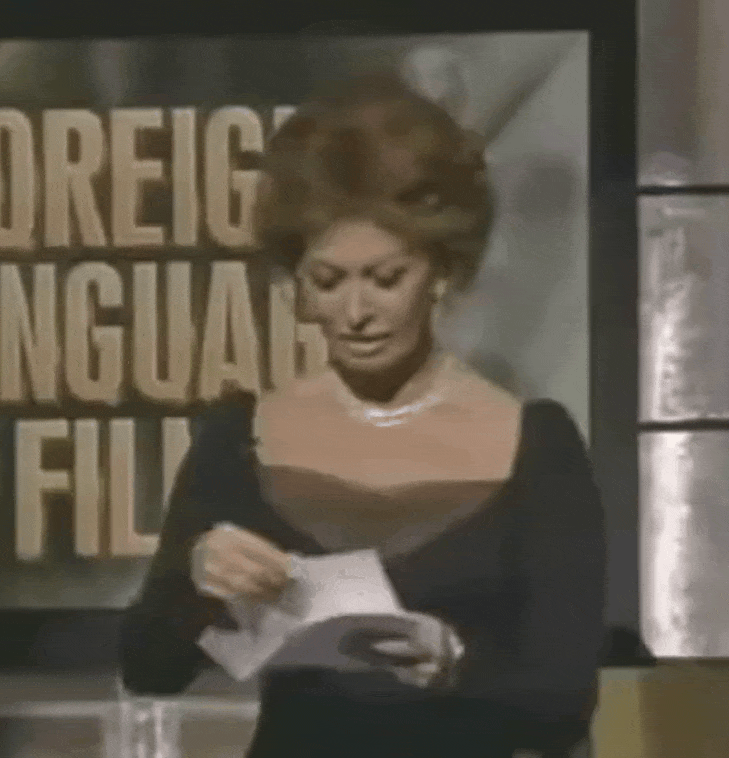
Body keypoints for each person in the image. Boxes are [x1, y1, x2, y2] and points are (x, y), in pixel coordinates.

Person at [120, 72, 607, 758]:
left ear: (441, 272)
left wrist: (455, 663)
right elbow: (147, 668)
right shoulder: (240, 438)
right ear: (299, 284)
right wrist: (197, 581)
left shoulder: (537, 447)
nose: (356, 313)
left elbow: (564, 702)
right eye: (327, 281)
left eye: (385, 279)